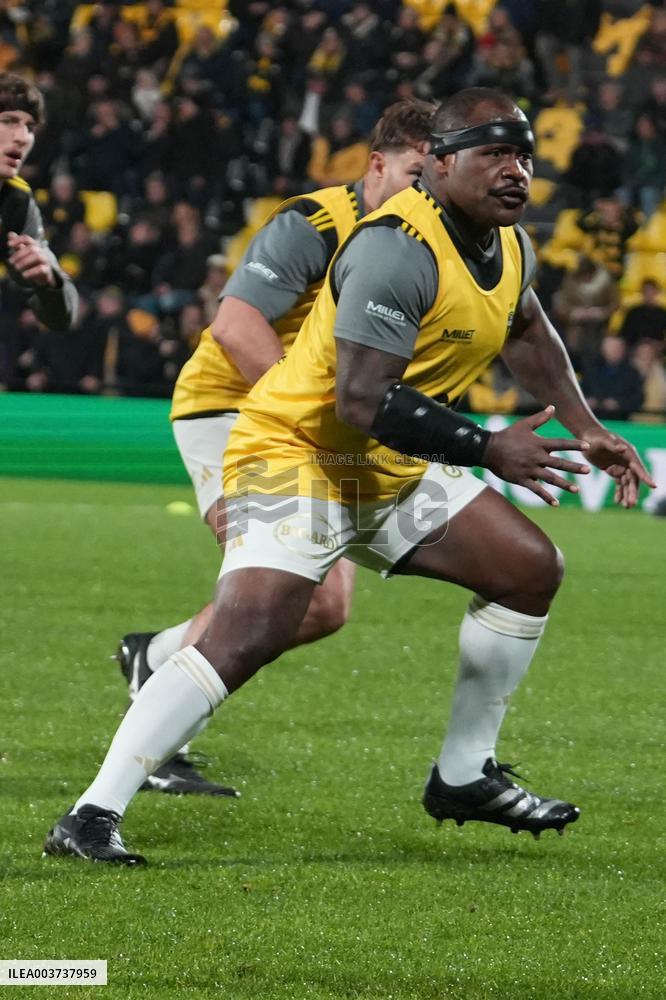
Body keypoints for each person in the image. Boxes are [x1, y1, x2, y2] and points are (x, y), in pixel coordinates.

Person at [44, 88, 655, 866]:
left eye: (525, 155)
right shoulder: (396, 244)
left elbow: (527, 328)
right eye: (494, 154)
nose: (516, 171)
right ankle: (91, 813)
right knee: (253, 626)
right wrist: (487, 446)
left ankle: (463, 774)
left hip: (383, 458)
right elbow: (361, 399)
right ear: (438, 164)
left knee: (529, 568)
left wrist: (588, 427)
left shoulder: (510, 245)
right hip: (296, 447)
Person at [111, 99, 435, 798]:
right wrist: (307, 412)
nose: (427, 189)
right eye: (416, 172)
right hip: (231, 408)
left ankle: (159, 657)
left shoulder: (421, 239)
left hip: (306, 425)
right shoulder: (315, 223)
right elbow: (234, 324)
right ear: (377, 165)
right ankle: (157, 735)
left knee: (324, 608)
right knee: (272, 589)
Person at [0, 72, 78, 331]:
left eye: (30, 127)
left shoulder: (15, 201)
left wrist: (49, 282)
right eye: (9, 121)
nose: (22, 137)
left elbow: (62, 317)